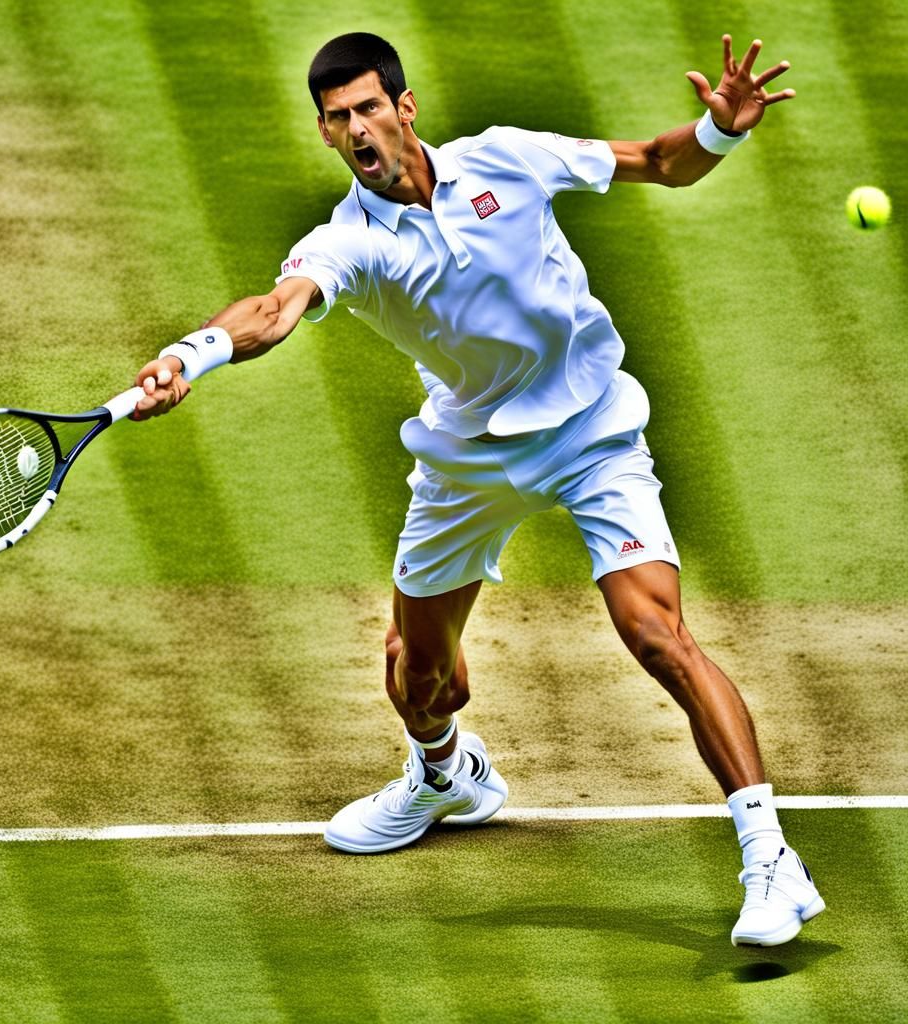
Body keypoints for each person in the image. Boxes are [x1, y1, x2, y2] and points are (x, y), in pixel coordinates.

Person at [131, 32, 823, 947]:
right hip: (468, 461)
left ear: (405, 107)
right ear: (328, 136)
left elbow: (660, 162)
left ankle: (771, 859)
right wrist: (193, 353)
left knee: (656, 632)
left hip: (592, 432)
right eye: (339, 121)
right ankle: (445, 773)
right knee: (419, 677)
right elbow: (274, 308)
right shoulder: (347, 242)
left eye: (370, 108)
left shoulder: (506, 158)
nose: (359, 131)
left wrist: (720, 130)